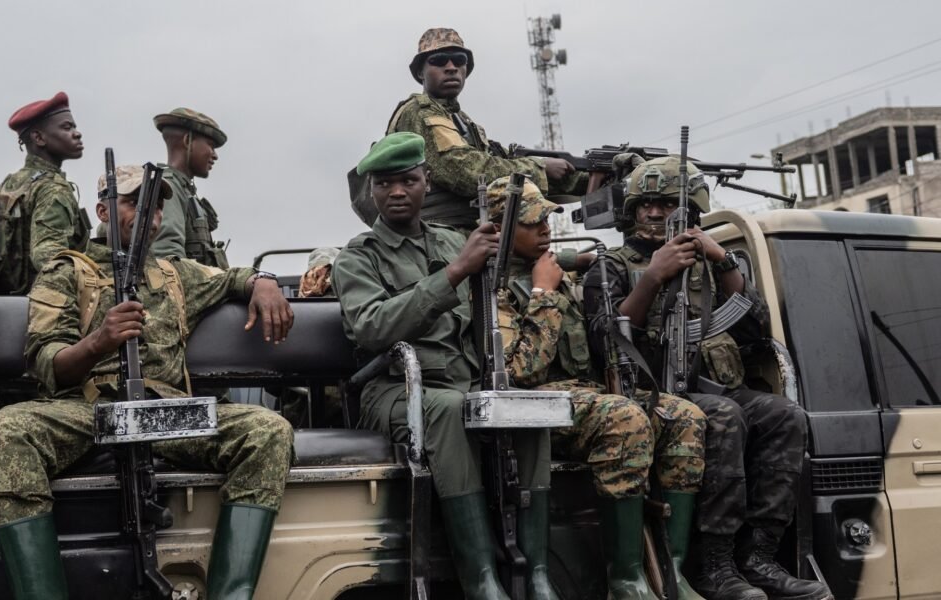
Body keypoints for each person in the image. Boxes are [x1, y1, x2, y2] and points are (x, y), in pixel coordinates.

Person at [0, 164, 295, 600]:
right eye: (133, 203)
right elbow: (47, 362)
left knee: (268, 430)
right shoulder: (67, 272)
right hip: (90, 412)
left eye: (157, 205)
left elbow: (235, 278)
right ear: (103, 210)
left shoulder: (176, 273)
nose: (151, 216)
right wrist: (99, 342)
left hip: (165, 414)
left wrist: (265, 281)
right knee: (0, 433)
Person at [584, 156, 832, 600]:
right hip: (649, 394)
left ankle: (759, 557)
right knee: (724, 415)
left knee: (783, 415)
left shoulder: (709, 268)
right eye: (647, 205)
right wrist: (653, 278)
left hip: (712, 385)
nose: (656, 214)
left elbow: (756, 330)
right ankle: (714, 565)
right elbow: (606, 341)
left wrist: (721, 261)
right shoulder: (611, 268)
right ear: (632, 211)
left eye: (666, 205)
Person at [332, 132, 554, 600]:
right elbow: (372, 327)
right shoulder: (357, 258)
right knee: (449, 409)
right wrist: (454, 272)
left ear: (425, 183)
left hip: (467, 382)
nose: (396, 192)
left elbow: (512, 278)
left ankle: (536, 573)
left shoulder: (456, 239)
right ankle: (481, 581)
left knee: (529, 410)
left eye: (407, 180)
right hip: (396, 391)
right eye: (386, 183)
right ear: (371, 189)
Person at [487, 176, 707, 600]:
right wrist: (543, 292)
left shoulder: (558, 272)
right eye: (533, 223)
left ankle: (671, 570)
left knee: (684, 416)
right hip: (534, 407)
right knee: (624, 418)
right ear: (500, 229)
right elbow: (522, 372)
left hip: (584, 395)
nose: (546, 230)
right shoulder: (493, 288)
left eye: (547, 220)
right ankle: (625, 580)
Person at [386, 27, 585, 233]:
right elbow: (464, 171)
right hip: (436, 236)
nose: (451, 67)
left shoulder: (462, 122)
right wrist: (539, 168)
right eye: (439, 60)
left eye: (459, 60)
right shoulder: (419, 112)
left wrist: (589, 176)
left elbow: (502, 163)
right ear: (420, 72)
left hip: (463, 230)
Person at [0, 91, 89, 294]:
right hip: (41, 305)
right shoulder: (53, 188)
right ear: (38, 138)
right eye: (66, 127)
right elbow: (48, 254)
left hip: (4, 300)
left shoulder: (12, 183)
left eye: (75, 127)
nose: (77, 133)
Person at [151, 107, 230, 267]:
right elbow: (169, 260)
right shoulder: (168, 188)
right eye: (210, 145)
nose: (215, 155)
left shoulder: (184, 189)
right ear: (187, 141)